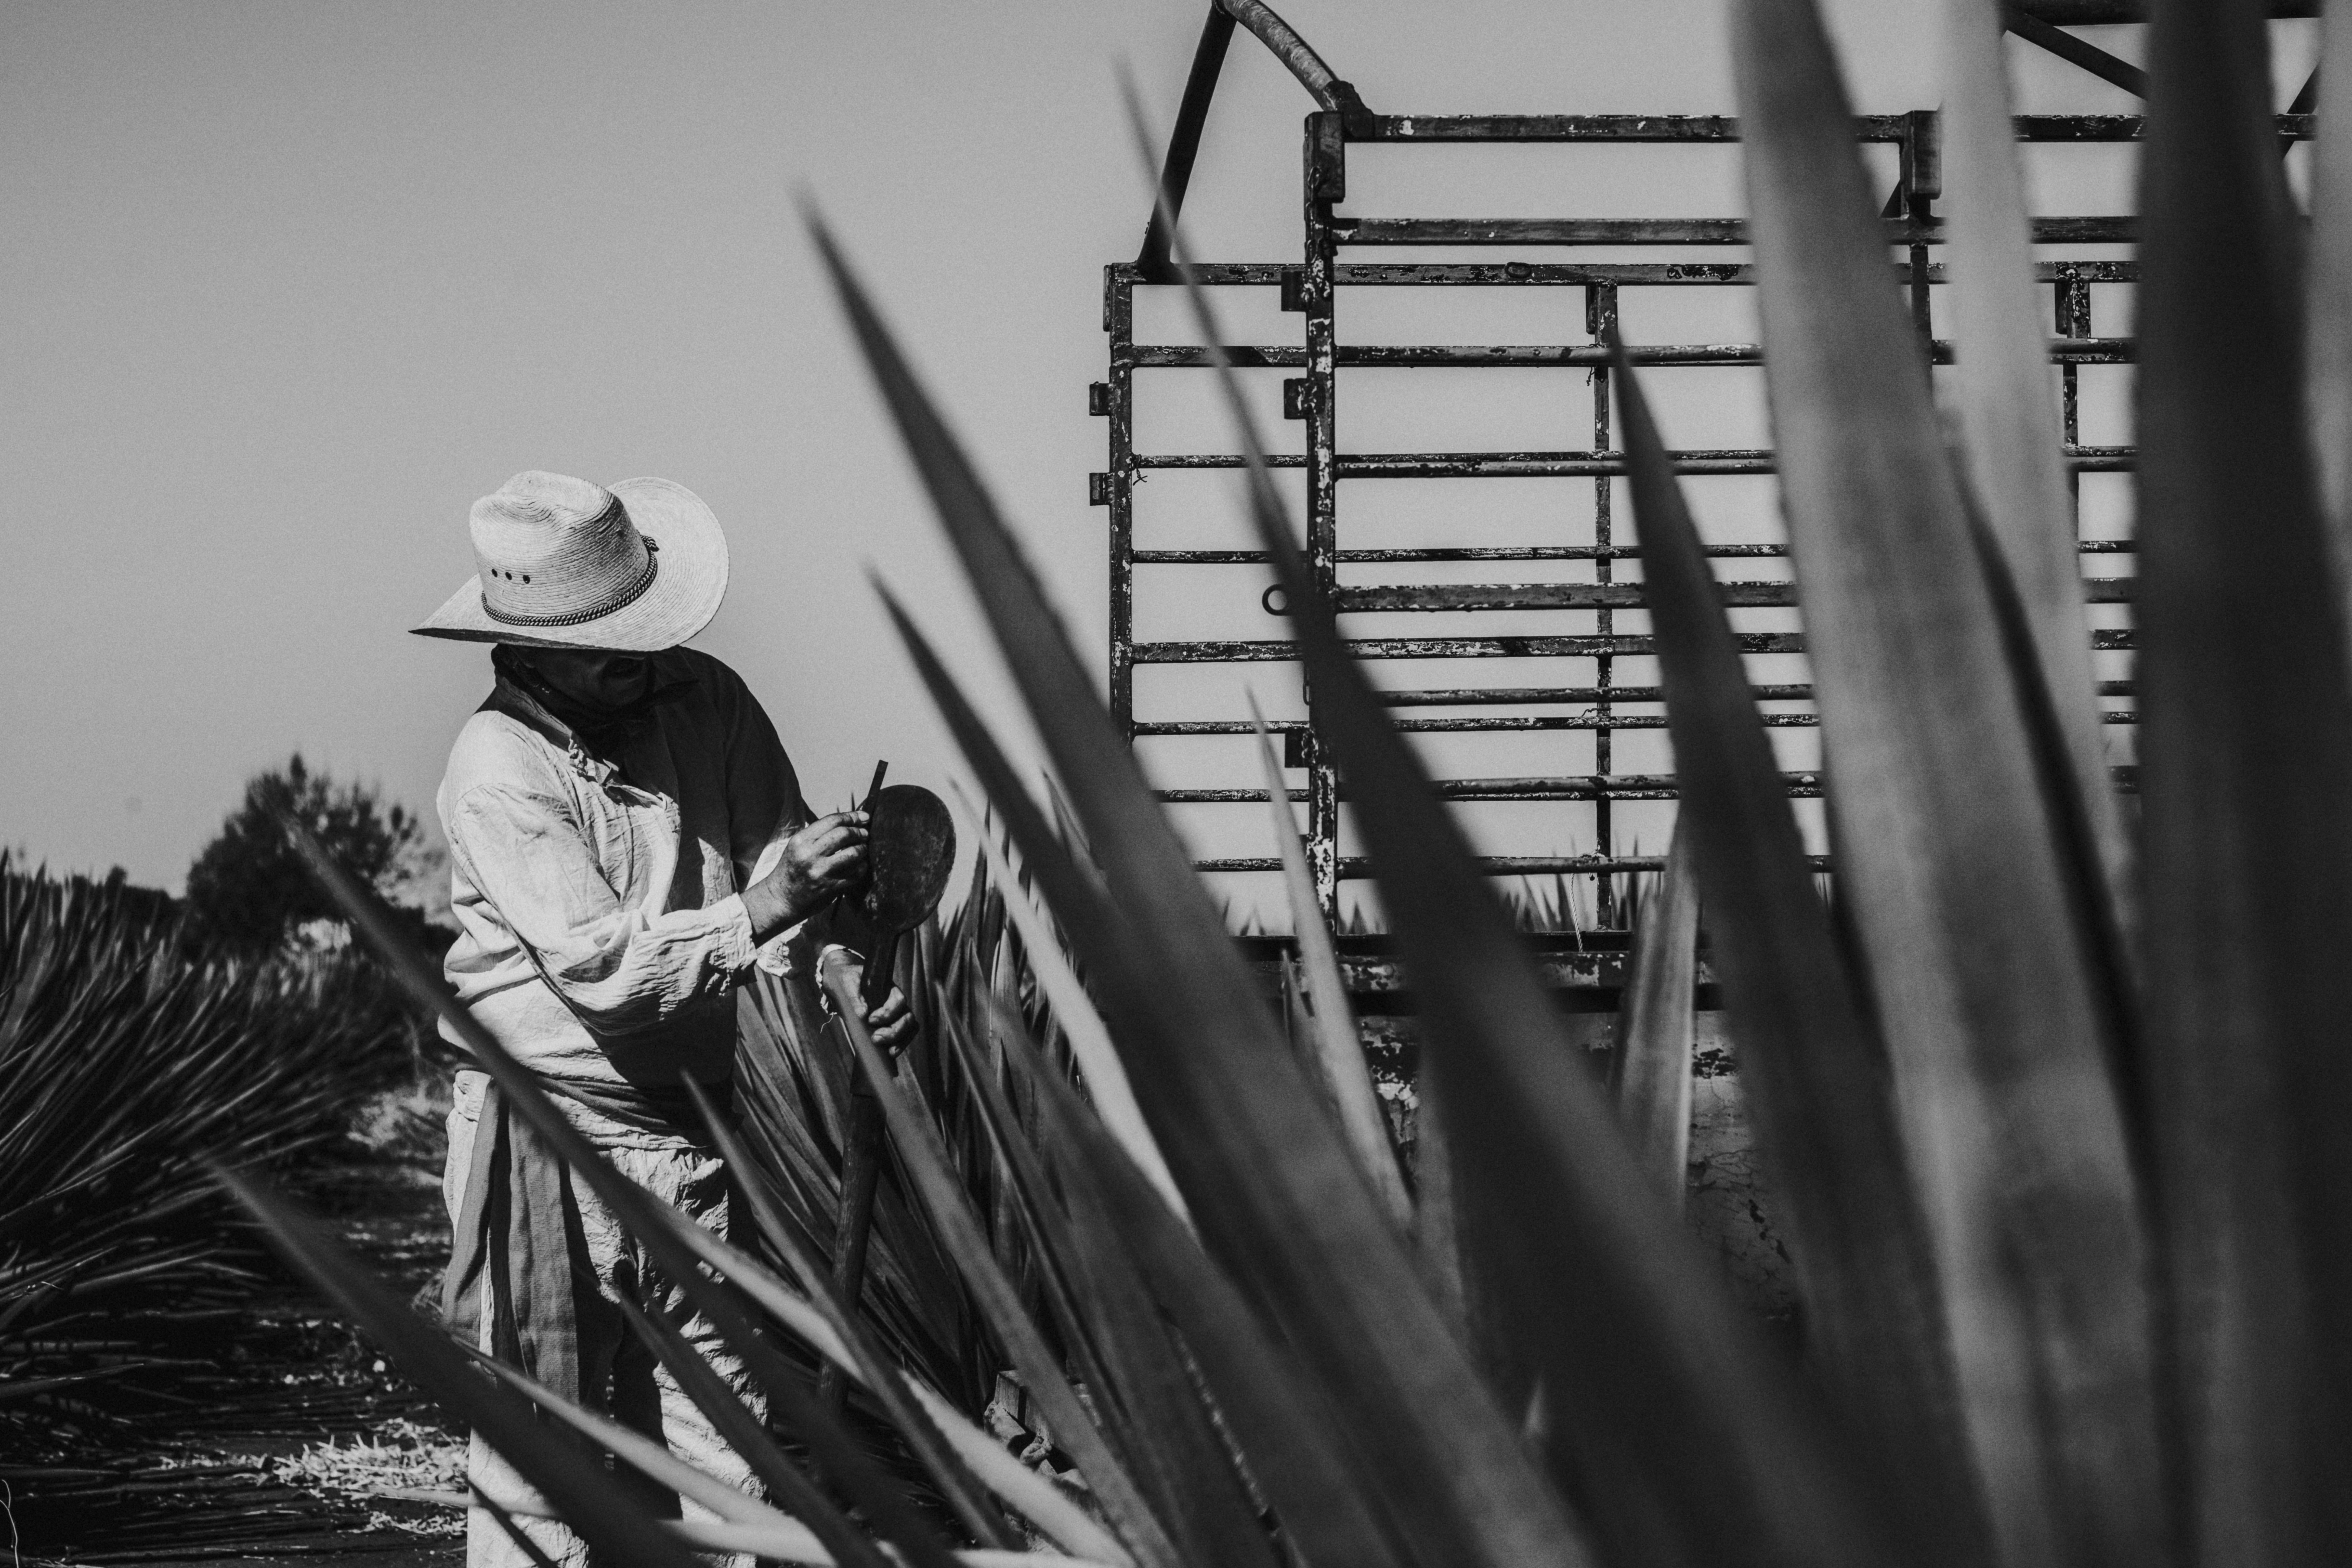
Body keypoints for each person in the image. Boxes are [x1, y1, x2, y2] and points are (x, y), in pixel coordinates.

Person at [411, 469, 912, 1567]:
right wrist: (770, 905)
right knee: (544, 1466)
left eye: (642, 633)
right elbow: (610, 975)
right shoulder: (500, 770)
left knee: (721, 1451)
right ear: (527, 649)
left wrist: (834, 965)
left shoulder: (707, 701)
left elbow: (776, 860)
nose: (636, 660)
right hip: (550, 1145)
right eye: (607, 646)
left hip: (692, 1133)